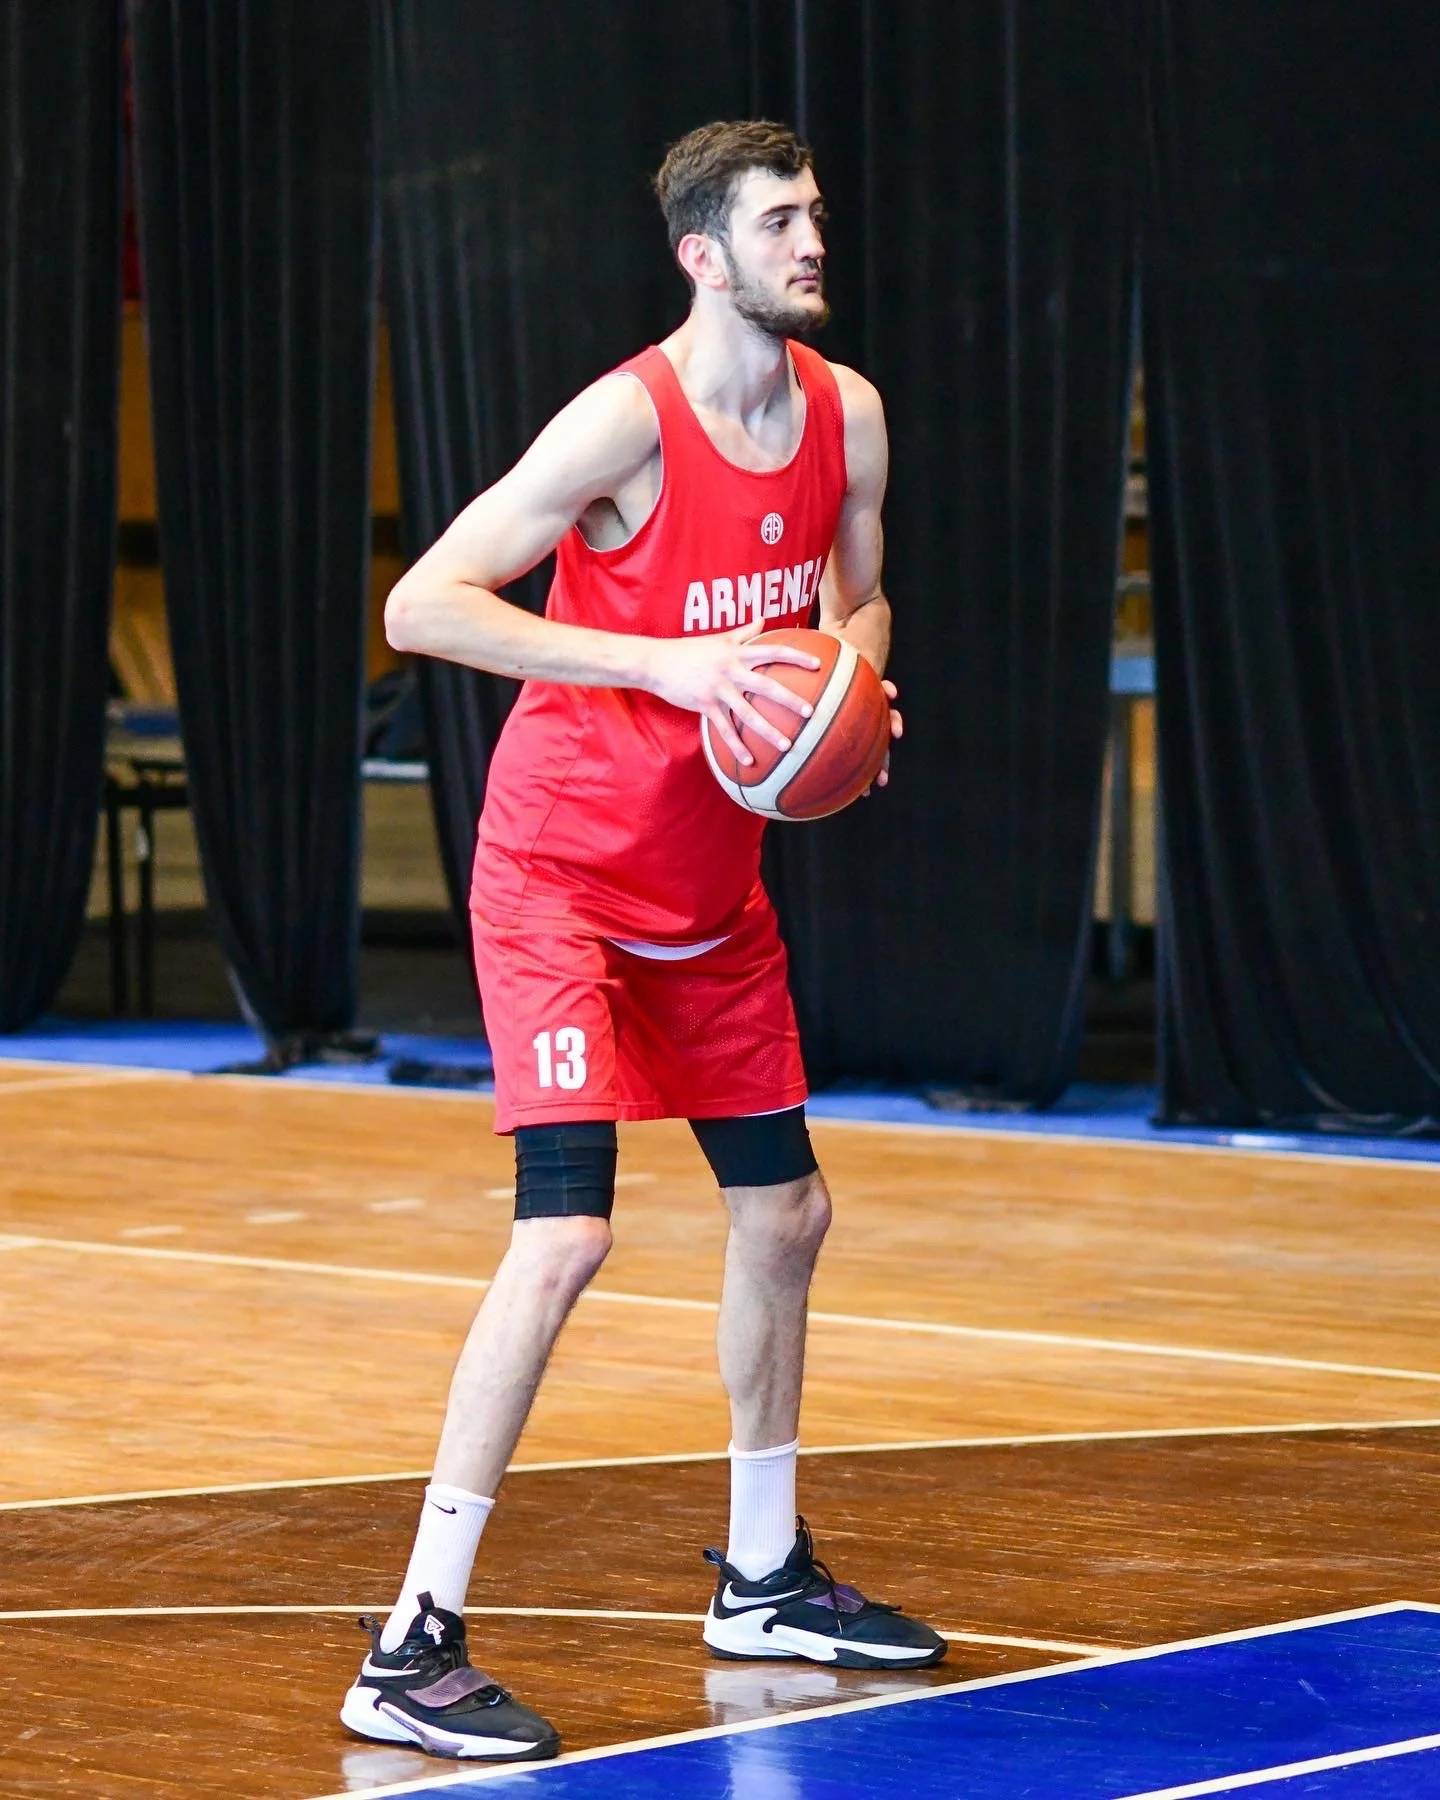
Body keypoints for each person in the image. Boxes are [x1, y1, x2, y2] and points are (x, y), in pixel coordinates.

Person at [341, 118, 944, 1764]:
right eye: (781, 219)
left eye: (819, 210)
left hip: (710, 898)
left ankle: (762, 1576)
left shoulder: (850, 417)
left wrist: (843, 689)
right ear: (703, 253)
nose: (815, 239)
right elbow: (426, 603)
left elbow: (861, 599)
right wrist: (663, 666)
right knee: (567, 1241)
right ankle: (412, 1642)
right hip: (562, 883)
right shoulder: (629, 419)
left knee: (790, 1210)